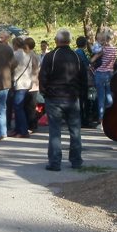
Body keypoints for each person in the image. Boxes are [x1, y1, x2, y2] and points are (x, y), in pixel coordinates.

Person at [38, 28, 84, 171]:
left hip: (54, 97)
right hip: (72, 97)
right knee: (75, 130)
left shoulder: (50, 56)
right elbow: (83, 78)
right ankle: (76, 160)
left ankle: (55, 162)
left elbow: (42, 77)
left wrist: (45, 93)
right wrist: (80, 94)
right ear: (69, 41)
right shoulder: (76, 56)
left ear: (56, 41)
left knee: (55, 131)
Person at [89, 28, 117, 128]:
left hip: (100, 74)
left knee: (101, 97)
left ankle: (101, 121)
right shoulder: (115, 49)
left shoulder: (103, 49)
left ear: (105, 39)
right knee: (109, 97)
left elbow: (92, 60)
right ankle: (111, 117)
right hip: (110, 74)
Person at [11, 37, 35, 138]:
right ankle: (18, 129)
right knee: (20, 107)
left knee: (18, 107)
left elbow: (11, 66)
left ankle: (23, 131)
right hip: (27, 83)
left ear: (15, 45)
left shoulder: (16, 54)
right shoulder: (28, 54)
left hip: (19, 83)